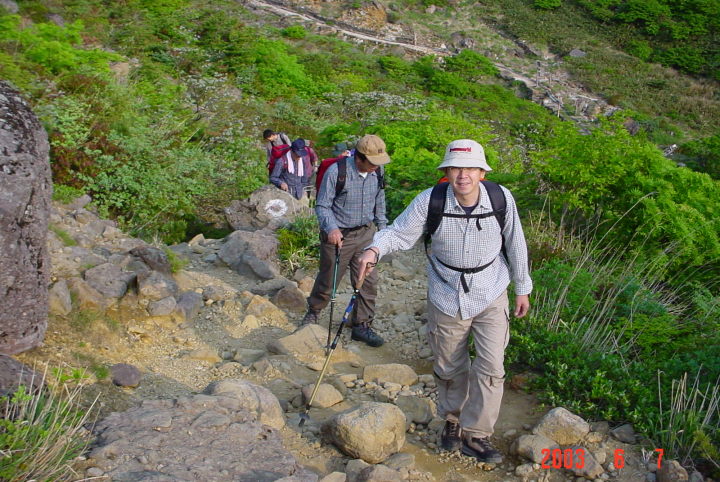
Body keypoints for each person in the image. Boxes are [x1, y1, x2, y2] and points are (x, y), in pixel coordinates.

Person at [357, 139, 532, 463]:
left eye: (470, 168)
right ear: (446, 171)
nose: (462, 175)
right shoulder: (430, 201)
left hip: (491, 290)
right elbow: (399, 233)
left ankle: (477, 435)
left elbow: (515, 242)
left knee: (492, 367)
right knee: (449, 367)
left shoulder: (500, 198)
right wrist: (373, 249)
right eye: (455, 168)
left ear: (481, 172)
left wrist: (522, 287)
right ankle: (452, 421)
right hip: (446, 291)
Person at [301, 134, 391, 347]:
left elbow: (380, 199)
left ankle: (361, 325)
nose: (374, 167)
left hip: (366, 234)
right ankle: (313, 312)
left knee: (367, 281)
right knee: (329, 278)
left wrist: (383, 228)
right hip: (339, 235)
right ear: (358, 157)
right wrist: (331, 228)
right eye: (371, 163)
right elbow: (322, 205)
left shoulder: (377, 170)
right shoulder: (337, 172)